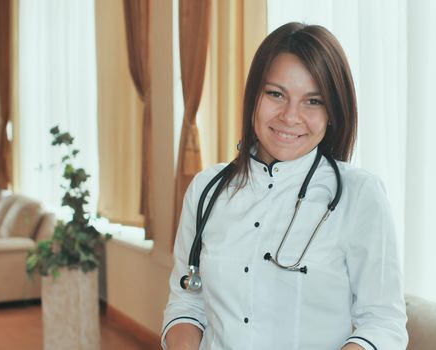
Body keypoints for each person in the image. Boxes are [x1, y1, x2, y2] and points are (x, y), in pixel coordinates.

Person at [162, 22, 408, 350]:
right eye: (276, 94)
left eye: (313, 101)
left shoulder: (360, 195)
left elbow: (383, 323)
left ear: (333, 111)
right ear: (253, 96)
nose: (290, 116)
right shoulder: (206, 190)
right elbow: (186, 303)